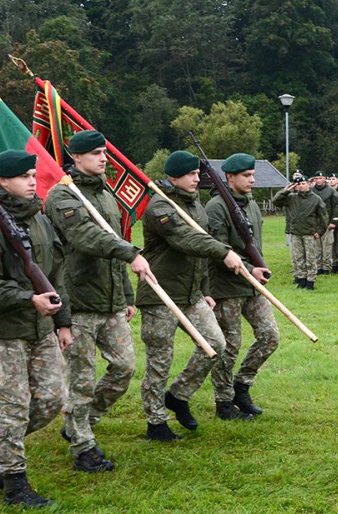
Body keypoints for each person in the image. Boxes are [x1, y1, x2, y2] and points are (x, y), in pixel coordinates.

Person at [45, 130, 155, 472]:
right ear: (75, 157)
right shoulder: (62, 197)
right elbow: (86, 237)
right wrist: (130, 254)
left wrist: (124, 294)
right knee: (81, 379)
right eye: (95, 154)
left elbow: (114, 240)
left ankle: (80, 422)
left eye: (104, 153)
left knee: (124, 367)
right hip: (77, 302)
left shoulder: (105, 192)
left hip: (109, 302)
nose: (103, 158)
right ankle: (83, 448)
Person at [0, 150, 72, 508]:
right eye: (25, 176)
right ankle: (14, 485)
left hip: (40, 326)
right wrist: (30, 300)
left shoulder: (40, 221)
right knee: (14, 406)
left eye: (33, 174)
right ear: (2, 181)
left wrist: (63, 321)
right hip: (1, 330)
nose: (32, 181)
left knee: (54, 398)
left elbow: (56, 275)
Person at [137, 150, 248, 441]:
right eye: (190, 174)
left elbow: (201, 253)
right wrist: (224, 251)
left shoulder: (195, 205)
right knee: (159, 360)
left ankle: (178, 395)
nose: (196, 178)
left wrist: (206, 290)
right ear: (174, 176)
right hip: (161, 293)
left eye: (198, 174)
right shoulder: (160, 206)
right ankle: (156, 423)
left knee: (216, 344)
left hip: (192, 294)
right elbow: (185, 240)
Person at [205, 153, 280, 419]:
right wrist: (250, 270)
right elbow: (218, 251)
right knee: (230, 345)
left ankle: (242, 386)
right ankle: (223, 402)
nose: (252, 180)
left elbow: (253, 244)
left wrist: (258, 269)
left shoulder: (251, 205)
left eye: (252, 175)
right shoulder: (215, 207)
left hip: (251, 286)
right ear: (229, 177)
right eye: (246, 176)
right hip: (227, 287)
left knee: (270, 336)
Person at [273, 175, 328, 290]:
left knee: (310, 257)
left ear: (308, 184)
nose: (301, 186)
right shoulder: (292, 197)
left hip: (309, 232)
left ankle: (310, 280)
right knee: (298, 257)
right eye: (298, 184)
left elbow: (323, 217)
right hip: (296, 232)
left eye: (303, 183)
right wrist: (285, 191)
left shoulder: (316, 199)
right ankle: (301, 279)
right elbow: (276, 201)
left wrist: (320, 231)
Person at [311, 171, 338, 274]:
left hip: (328, 223)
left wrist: (333, 221)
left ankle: (326, 267)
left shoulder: (331, 191)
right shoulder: (311, 190)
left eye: (320, 178)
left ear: (325, 178)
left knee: (327, 246)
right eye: (317, 178)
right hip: (315, 223)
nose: (318, 180)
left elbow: (337, 207)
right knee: (316, 247)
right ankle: (318, 267)